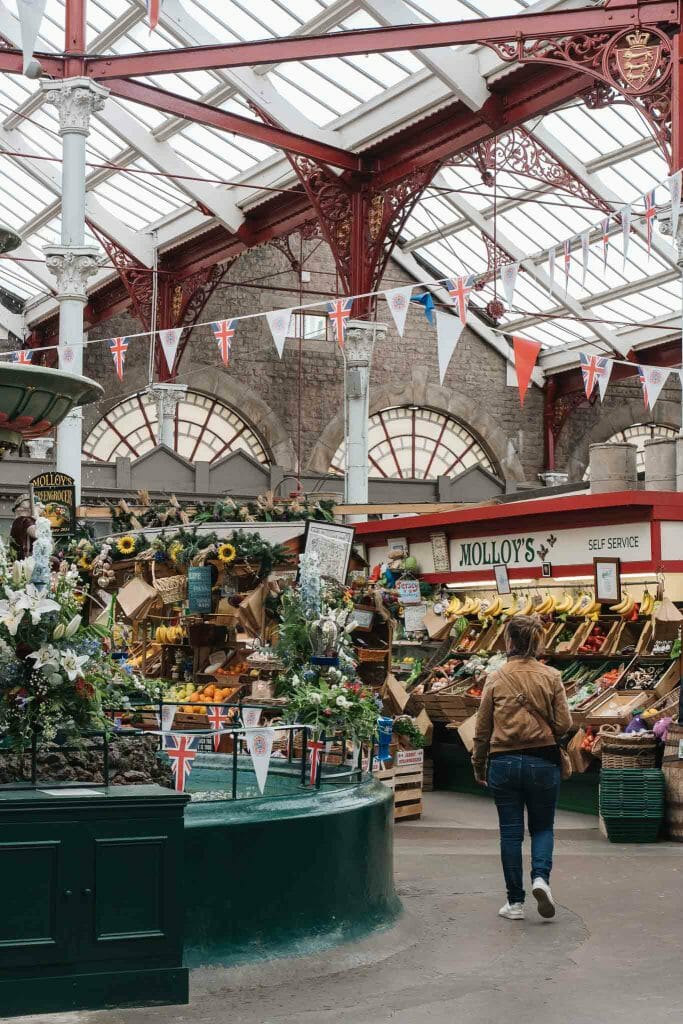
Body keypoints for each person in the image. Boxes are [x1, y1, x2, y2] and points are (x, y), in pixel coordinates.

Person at [472, 614, 572, 922]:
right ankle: (541, 878)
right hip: (543, 761)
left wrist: (479, 763)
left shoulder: (496, 677)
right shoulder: (552, 677)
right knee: (542, 827)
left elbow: (482, 727)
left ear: (510, 641)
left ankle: (515, 903)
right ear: (536, 642)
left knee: (511, 833)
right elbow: (565, 723)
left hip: (503, 761)